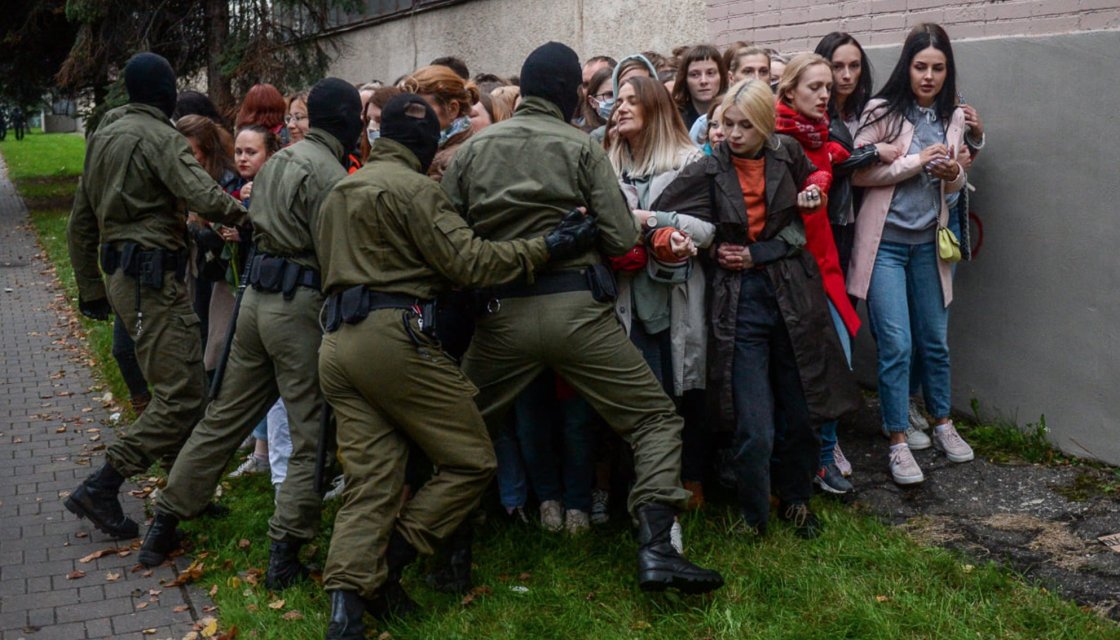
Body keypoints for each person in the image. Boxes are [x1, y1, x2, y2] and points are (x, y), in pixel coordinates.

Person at [441, 41, 724, 595]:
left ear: (524, 89)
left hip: (501, 314)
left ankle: (449, 552)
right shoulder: (581, 146)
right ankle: (657, 549)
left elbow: (447, 235)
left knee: (460, 427)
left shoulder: (475, 150)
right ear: (573, 94)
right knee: (654, 420)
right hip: (579, 312)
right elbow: (620, 238)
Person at [317, 92, 598, 637]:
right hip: (394, 339)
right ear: (425, 143)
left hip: (337, 344)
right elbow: (471, 263)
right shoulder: (417, 189)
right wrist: (548, 245)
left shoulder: (341, 190)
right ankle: (388, 565)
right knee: (470, 460)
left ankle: (345, 612)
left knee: (371, 480)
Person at [138, 79, 363, 590]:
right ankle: (285, 550)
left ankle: (165, 521)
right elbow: (337, 251)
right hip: (299, 307)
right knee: (311, 432)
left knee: (223, 417)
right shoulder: (331, 174)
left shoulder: (279, 161)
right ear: (347, 120)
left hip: (256, 300)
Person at [656, 79, 861, 538]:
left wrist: (807, 201)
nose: (733, 133)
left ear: (766, 125)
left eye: (745, 125)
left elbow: (807, 204)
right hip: (739, 300)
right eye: (728, 123)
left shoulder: (787, 153)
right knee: (754, 422)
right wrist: (710, 247)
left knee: (803, 407)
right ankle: (754, 516)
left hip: (793, 293)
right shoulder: (709, 168)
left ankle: (797, 500)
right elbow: (664, 212)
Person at [64, 52, 246, 539]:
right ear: (165, 93)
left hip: (126, 280)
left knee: (178, 386)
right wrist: (250, 217)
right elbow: (202, 194)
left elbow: (81, 219)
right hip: (152, 282)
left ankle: (185, 493)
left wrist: (90, 288)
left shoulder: (104, 135)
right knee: (183, 393)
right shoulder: (160, 137)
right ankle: (103, 484)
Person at [848, 23, 975, 486]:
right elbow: (858, 174)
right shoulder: (882, 110)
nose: (928, 77)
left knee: (935, 341)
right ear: (907, 66)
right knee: (897, 344)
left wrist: (951, 172)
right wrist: (916, 162)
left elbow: (956, 185)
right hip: (885, 246)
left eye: (938, 68)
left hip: (929, 245)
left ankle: (942, 422)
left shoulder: (952, 116)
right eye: (921, 66)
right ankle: (898, 440)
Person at [606, 76, 712, 508]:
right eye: (618, 100)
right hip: (624, 298)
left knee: (680, 393)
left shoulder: (690, 162)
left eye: (632, 101)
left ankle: (683, 484)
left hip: (675, 299)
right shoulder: (605, 165)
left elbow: (706, 230)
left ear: (655, 108)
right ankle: (638, 493)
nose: (621, 108)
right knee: (635, 398)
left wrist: (649, 219)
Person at [773, 53, 865, 495]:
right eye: (815, 87)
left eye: (828, 87)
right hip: (788, 271)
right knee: (794, 372)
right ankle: (799, 462)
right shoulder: (772, 140)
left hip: (824, 267)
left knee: (839, 361)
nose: (826, 94)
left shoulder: (824, 136)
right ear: (789, 92)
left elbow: (839, 155)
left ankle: (825, 459)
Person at [401, 65, 480, 181]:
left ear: (452, 109)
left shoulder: (468, 157)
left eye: (421, 109)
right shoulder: (413, 148)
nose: (412, 118)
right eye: (409, 110)